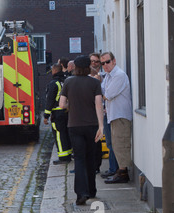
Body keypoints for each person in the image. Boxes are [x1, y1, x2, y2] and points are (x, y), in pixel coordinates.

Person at [59, 55, 104, 205]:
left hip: (74, 125)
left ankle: (81, 194)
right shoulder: (94, 82)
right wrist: (101, 126)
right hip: (91, 125)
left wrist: (71, 106)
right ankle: (92, 190)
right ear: (89, 67)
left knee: (79, 159)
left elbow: (61, 104)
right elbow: (99, 105)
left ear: (76, 67)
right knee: (90, 158)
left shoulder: (68, 81)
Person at [100, 52, 133, 184]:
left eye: (107, 62)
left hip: (120, 115)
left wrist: (101, 95)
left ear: (114, 61)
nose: (105, 65)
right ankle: (120, 171)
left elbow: (107, 94)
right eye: (103, 63)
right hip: (113, 114)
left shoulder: (119, 75)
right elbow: (102, 90)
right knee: (116, 144)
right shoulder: (109, 76)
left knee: (121, 144)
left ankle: (123, 172)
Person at [43, 63, 72, 164]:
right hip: (66, 111)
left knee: (59, 134)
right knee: (66, 133)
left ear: (54, 70)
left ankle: (63, 157)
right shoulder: (65, 81)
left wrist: (46, 115)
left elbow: (50, 100)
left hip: (57, 112)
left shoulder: (53, 83)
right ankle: (68, 153)